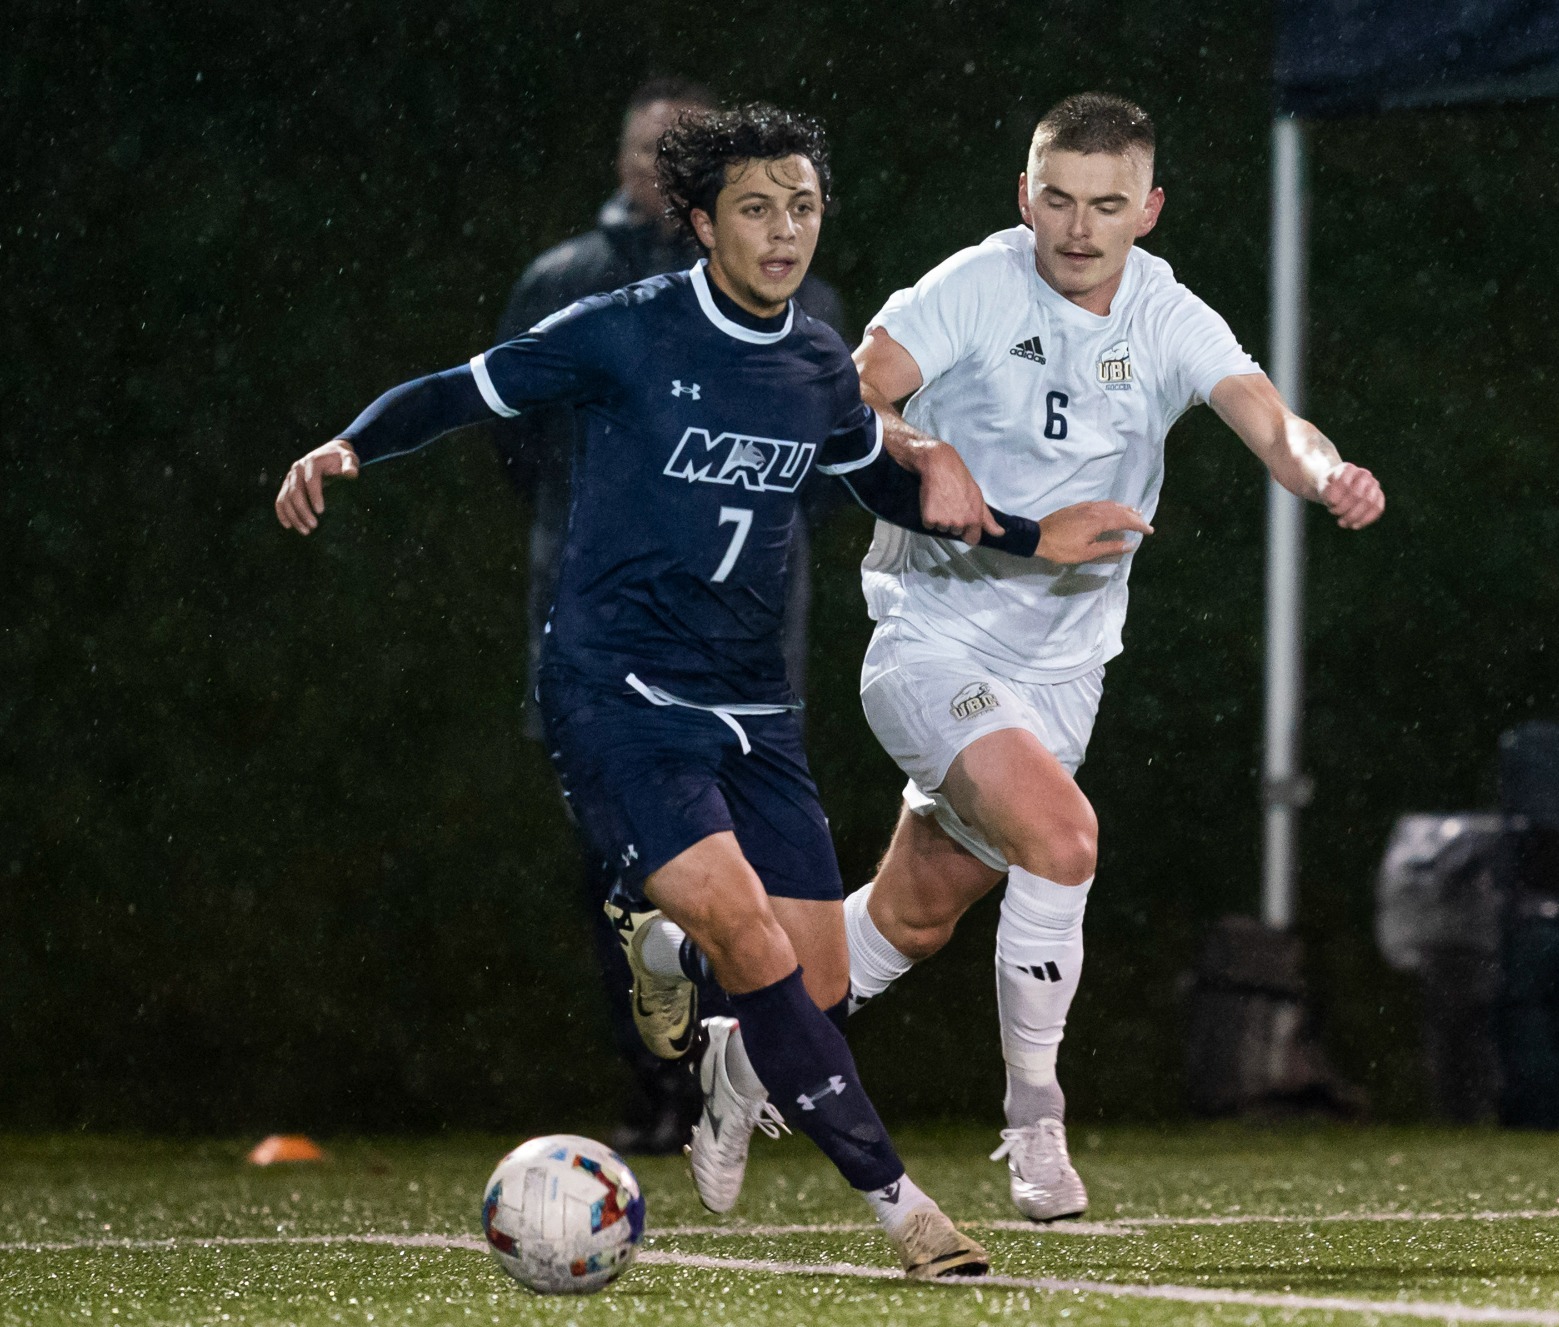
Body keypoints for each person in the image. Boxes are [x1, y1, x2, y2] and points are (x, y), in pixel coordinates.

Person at [274, 102, 1146, 1275]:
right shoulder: (624, 332)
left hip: (752, 702)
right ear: (698, 224)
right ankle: (905, 1211)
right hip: (619, 689)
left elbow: (873, 489)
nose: (784, 231)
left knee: (816, 979)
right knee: (753, 936)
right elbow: (465, 390)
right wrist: (346, 446)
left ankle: (666, 956)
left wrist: (1032, 536)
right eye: (753, 208)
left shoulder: (817, 367)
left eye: (802, 205)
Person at [835, 93, 1386, 1219]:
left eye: (1106, 205)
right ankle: (1035, 1124)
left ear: (1148, 209)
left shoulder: (1167, 313)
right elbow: (845, 391)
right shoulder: (971, 285)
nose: (1078, 228)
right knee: (1065, 837)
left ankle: (740, 1048)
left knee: (912, 917)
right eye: (1057, 199)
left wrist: (1325, 472)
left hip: (1062, 667)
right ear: (1023, 195)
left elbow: (1270, 420)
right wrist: (920, 444)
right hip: (930, 633)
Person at [490, 75, 851, 1158]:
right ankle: (653, 1085)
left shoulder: (805, 303)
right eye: (649, 153)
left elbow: (828, 462)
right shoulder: (572, 283)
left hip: (743, 648)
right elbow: (515, 440)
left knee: (749, 883)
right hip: (605, 643)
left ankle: (726, 1083)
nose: (662, 173)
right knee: (626, 875)